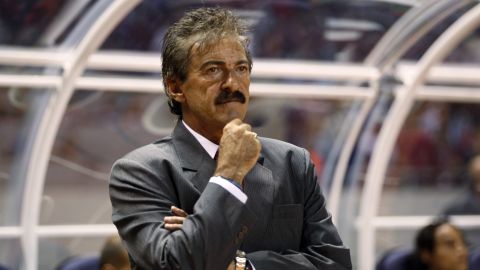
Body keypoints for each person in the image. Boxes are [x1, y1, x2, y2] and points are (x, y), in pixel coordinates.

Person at [109, 7, 351, 270]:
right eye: (213, 70)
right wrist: (228, 176)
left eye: (241, 68)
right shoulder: (140, 171)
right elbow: (176, 263)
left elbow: (334, 264)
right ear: (175, 87)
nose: (232, 83)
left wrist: (242, 265)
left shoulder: (293, 162)